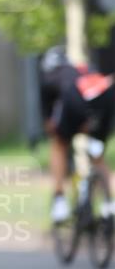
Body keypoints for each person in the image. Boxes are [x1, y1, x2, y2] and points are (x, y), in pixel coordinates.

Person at [39, 45, 115, 222]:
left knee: (59, 144)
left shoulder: (51, 76)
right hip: (106, 97)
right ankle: (109, 204)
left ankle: (59, 201)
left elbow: (48, 119)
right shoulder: (85, 69)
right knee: (97, 155)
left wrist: (51, 124)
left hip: (74, 99)